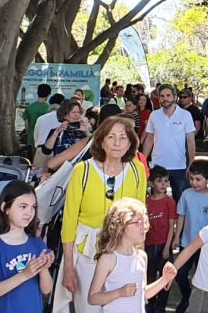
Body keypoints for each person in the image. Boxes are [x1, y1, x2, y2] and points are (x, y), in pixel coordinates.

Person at [58, 115, 147, 313]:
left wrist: (140, 257)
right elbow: (69, 222)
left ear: (131, 142)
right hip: (88, 252)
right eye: (111, 137)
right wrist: (69, 268)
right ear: (101, 140)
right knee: (90, 308)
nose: (117, 143)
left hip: (123, 253)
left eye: (123, 138)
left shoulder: (137, 170)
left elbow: (140, 217)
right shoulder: (83, 170)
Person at [88, 198, 177, 312]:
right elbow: (93, 297)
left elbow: (142, 294)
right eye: (138, 223)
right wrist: (119, 293)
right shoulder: (109, 259)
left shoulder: (141, 257)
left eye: (144, 221)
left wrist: (164, 279)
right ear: (120, 226)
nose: (144, 227)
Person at [0, 181, 53, 313]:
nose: (29, 212)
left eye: (33, 207)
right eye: (23, 206)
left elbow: (47, 290)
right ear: (5, 208)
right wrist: (25, 275)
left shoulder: (37, 244)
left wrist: (43, 268)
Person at [172, 159, 208, 311]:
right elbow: (181, 216)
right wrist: (176, 237)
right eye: (191, 178)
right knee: (180, 274)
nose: (194, 182)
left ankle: (198, 302)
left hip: (206, 246)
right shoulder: (186, 195)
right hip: (187, 243)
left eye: (198, 179)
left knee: (204, 277)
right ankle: (187, 297)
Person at [143, 84, 197, 201]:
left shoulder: (185, 115)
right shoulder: (154, 115)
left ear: (175, 97)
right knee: (157, 201)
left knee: (180, 201)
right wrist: (143, 160)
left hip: (179, 166)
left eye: (168, 95)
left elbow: (190, 141)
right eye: (162, 96)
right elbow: (149, 139)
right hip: (158, 165)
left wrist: (191, 163)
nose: (165, 99)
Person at [144, 167, 177, 313]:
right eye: (159, 181)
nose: (163, 184)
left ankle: (161, 306)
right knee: (149, 276)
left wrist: (167, 247)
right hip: (149, 245)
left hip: (164, 244)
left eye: (165, 181)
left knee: (166, 276)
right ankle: (150, 302)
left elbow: (171, 226)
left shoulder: (169, 202)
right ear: (151, 184)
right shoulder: (145, 202)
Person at [24, 83, 54, 149]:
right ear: (48, 94)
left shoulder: (29, 107)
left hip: (32, 139)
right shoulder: (50, 109)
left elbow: (26, 127)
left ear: (37, 93)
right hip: (45, 139)